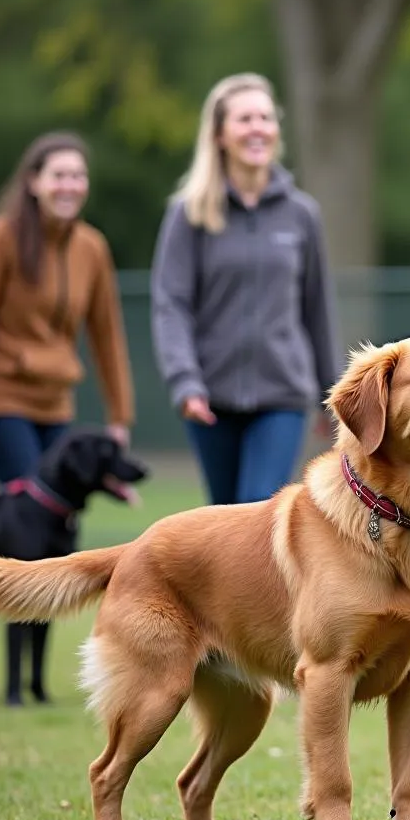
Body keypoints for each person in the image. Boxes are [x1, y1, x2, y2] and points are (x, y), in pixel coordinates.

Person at [0, 131, 135, 706]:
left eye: (77, 176)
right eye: (57, 175)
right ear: (33, 182)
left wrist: (119, 416)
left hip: (58, 405)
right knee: (28, 536)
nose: (68, 186)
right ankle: (4, 678)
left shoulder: (91, 249)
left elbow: (106, 335)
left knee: (55, 541)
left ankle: (29, 678)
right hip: (4, 403)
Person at [150, 73, 341, 505]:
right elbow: (171, 305)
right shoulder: (189, 214)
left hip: (283, 393)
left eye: (265, 118)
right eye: (244, 119)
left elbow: (317, 309)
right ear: (219, 135)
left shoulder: (301, 215)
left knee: (258, 507)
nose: (257, 128)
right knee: (222, 520)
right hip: (208, 398)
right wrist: (185, 382)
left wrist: (334, 394)